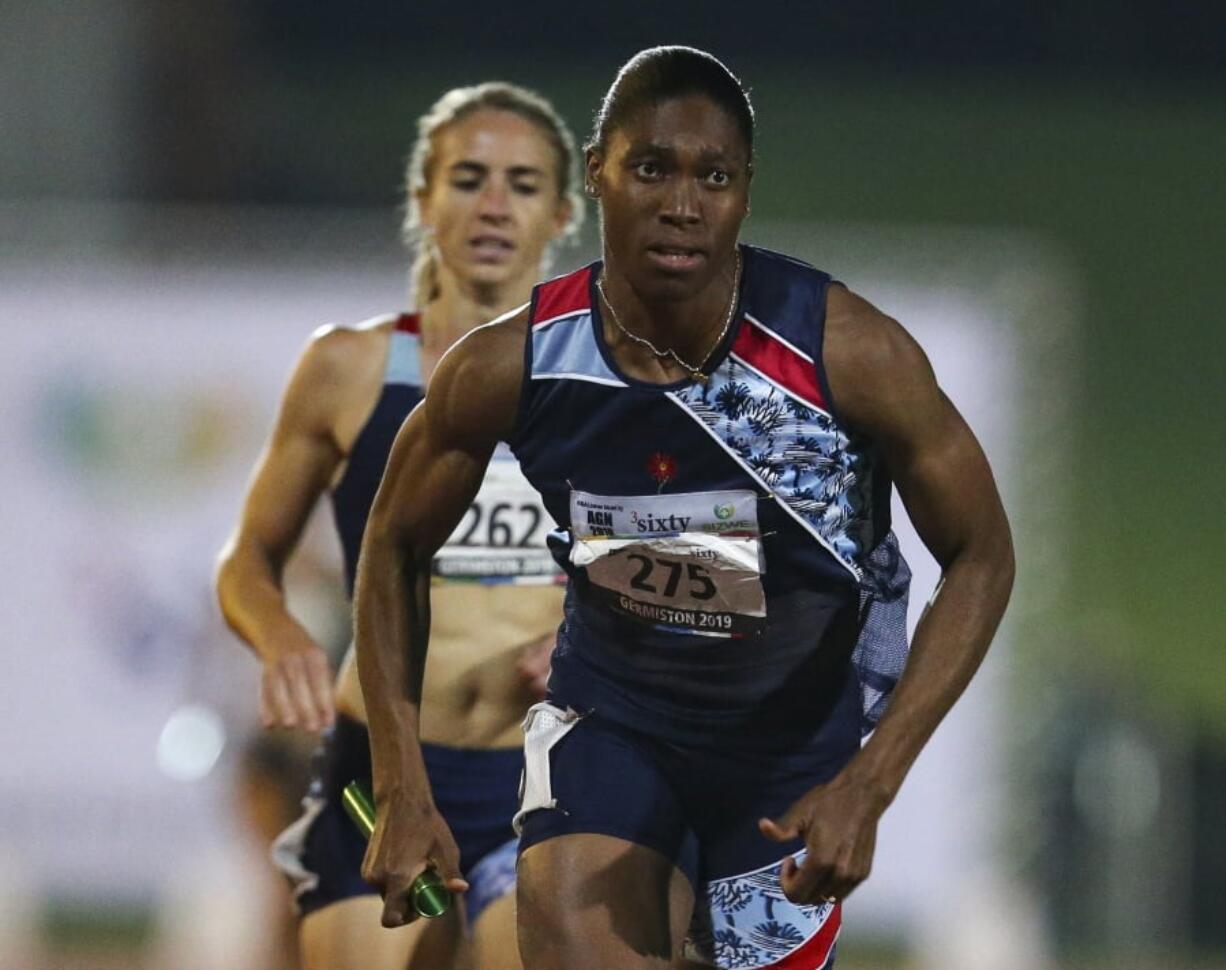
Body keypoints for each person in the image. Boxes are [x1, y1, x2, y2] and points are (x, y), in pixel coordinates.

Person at [355, 46, 1014, 970]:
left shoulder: (850, 355)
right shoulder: (516, 365)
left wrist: (870, 783)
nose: (682, 204)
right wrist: (398, 788)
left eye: (715, 177)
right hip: (612, 727)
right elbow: (392, 543)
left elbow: (982, 553)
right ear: (597, 171)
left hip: (789, 765)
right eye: (652, 167)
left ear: (745, 190)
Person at [215, 81, 582, 970]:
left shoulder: (599, 382)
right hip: (379, 778)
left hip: (536, 779)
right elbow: (249, 558)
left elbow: (671, 557)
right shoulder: (350, 367)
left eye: (523, 184)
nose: (493, 205)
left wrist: (587, 632)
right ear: (422, 200)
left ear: (564, 213)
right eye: (468, 177)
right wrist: (281, 638)